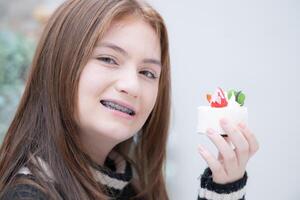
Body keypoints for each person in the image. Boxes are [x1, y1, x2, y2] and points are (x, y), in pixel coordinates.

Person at [0, 0, 259, 199]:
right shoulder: (28, 194)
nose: (132, 86)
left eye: (147, 73)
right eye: (108, 59)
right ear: (57, 65)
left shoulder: (131, 188)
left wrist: (224, 188)